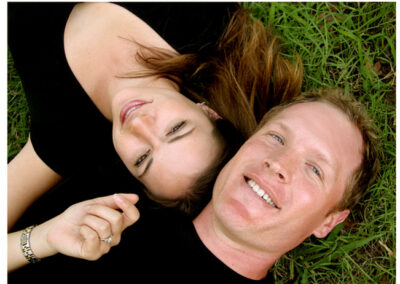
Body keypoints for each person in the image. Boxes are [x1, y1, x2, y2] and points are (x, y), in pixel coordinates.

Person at [8, 88, 381, 282]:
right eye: (277, 138)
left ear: (328, 221)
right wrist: (40, 240)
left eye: (315, 170)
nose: (279, 164)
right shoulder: (132, 184)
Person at [7, 1, 303, 233]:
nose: (139, 126)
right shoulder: (201, 21)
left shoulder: (66, 139)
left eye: (142, 159)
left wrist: (42, 239)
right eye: (175, 129)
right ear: (209, 112)